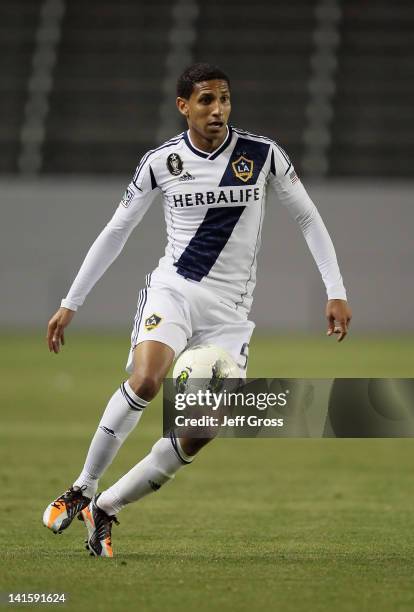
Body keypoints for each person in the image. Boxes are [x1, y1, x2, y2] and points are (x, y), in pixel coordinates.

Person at [42, 62, 352, 557]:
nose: (218, 109)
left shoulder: (263, 155)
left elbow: (308, 219)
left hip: (230, 315)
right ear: (184, 106)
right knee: (146, 380)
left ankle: (106, 508)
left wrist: (334, 289)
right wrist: (70, 302)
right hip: (175, 291)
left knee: (198, 431)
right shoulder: (160, 162)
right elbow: (116, 231)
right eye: (206, 100)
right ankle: (82, 485)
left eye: (224, 98)